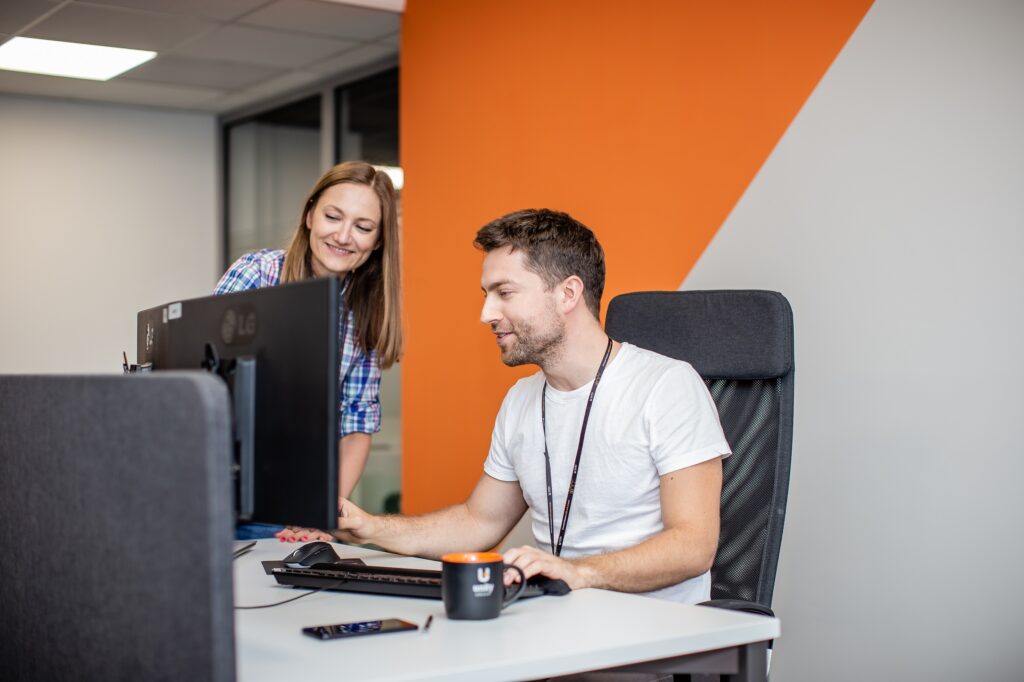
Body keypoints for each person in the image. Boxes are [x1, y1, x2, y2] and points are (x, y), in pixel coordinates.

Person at [332, 208, 730, 603]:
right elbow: (479, 521)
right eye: (487, 295)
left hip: (658, 631)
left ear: (567, 294)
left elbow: (693, 546)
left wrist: (578, 572)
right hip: (559, 619)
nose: (486, 314)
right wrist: (370, 528)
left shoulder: (666, 386)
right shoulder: (521, 399)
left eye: (504, 293)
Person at [216, 161, 402, 540]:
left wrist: (321, 512)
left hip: (288, 506)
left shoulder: (364, 312)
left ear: (379, 240)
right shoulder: (257, 274)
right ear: (309, 216)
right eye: (333, 217)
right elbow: (203, 377)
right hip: (212, 487)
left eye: (363, 227)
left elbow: (357, 425)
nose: (343, 236)